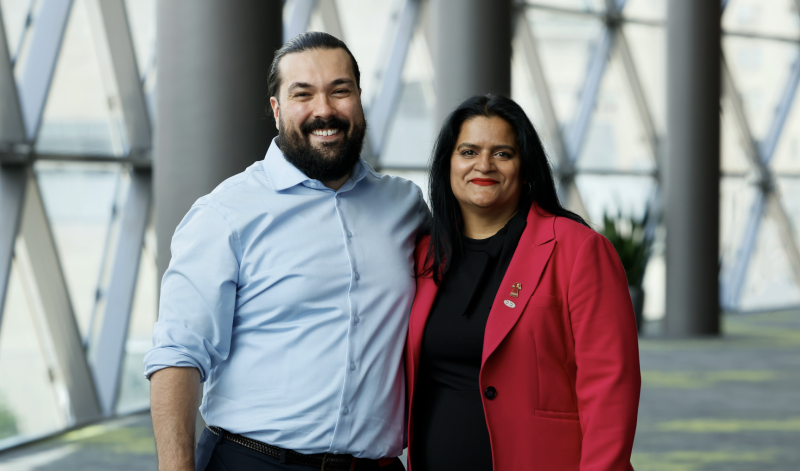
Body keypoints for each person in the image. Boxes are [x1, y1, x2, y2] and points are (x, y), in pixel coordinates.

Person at [144, 32, 428, 471]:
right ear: (277, 110)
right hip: (251, 462)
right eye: (303, 94)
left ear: (359, 99)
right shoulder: (226, 212)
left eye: (340, 90)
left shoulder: (406, 207)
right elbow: (178, 355)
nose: (325, 110)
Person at [405, 95, 641, 471]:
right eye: (468, 151)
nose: (483, 165)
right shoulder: (422, 255)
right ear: (447, 165)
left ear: (525, 167)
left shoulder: (577, 249)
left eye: (502, 153)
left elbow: (610, 387)